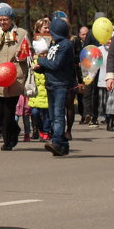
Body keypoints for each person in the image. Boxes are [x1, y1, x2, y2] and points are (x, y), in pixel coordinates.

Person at [0, 4, 30, 151]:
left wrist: (21, 57)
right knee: (1, 112)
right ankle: (14, 130)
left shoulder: (21, 33)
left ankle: (8, 141)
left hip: (15, 78)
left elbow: (28, 51)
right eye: (0, 19)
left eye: (6, 19)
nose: (3, 22)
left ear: (12, 20)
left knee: (9, 112)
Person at [35, 17, 77, 156]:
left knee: (58, 115)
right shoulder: (54, 45)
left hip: (61, 85)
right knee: (53, 116)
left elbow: (56, 64)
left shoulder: (65, 45)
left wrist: (41, 60)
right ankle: (63, 146)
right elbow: (50, 64)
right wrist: (40, 68)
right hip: (51, 84)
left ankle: (57, 141)